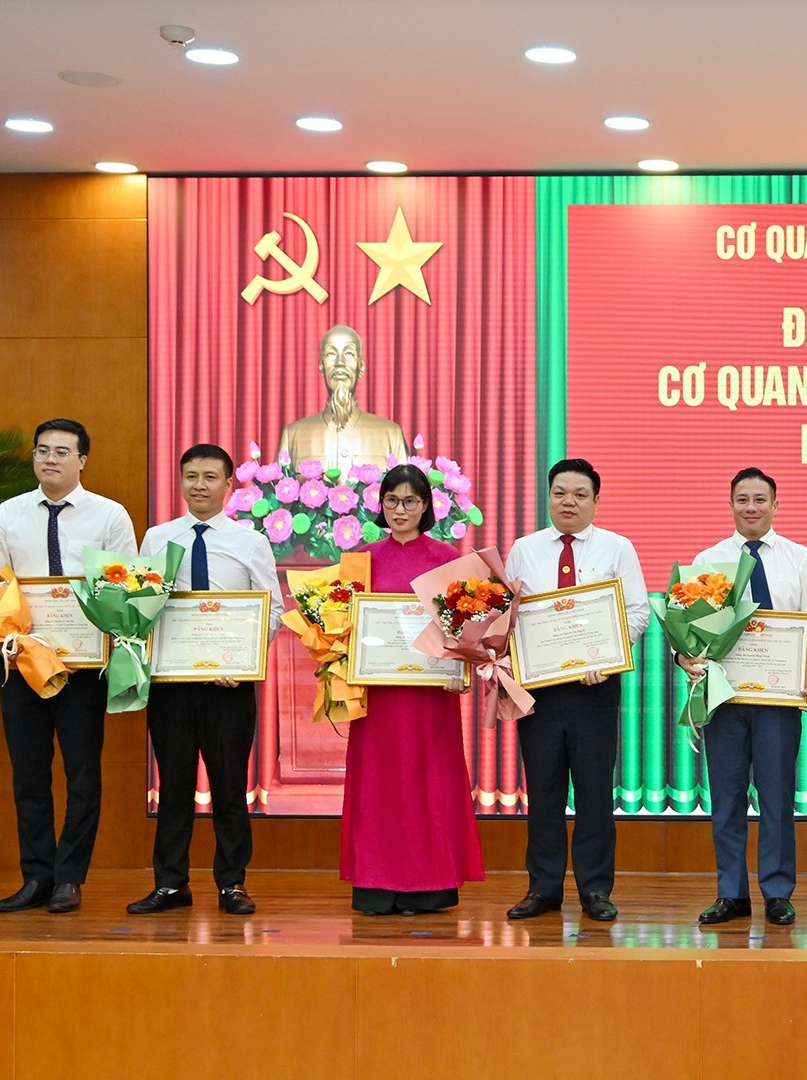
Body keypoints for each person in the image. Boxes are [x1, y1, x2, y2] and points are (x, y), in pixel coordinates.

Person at [0, 419, 137, 914]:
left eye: (62, 452)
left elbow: (128, 589)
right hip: (21, 663)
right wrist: (8, 636)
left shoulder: (110, 517)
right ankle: (36, 877)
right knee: (28, 774)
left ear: (82, 460)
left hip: (84, 669)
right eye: (42, 451)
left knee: (82, 775)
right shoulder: (9, 513)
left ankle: (70, 878)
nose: (50, 459)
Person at [677, 468, 807, 927]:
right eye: (742, 499)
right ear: (730, 505)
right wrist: (682, 657)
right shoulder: (709, 558)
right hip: (724, 699)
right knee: (725, 798)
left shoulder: (800, 559)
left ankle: (777, 890)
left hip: (781, 700)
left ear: (775, 504)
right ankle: (730, 892)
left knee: (776, 798)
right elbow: (685, 626)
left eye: (760, 499)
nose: (751, 507)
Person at [128, 444, 284, 916]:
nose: (199, 485)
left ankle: (232, 883)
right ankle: (171, 883)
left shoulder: (251, 541)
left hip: (228, 687)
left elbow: (272, 609)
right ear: (181, 482)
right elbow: (138, 604)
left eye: (210, 477)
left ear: (229, 485)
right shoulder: (157, 538)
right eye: (191, 476)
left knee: (229, 787)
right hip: (170, 684)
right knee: (172, 785)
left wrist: (244, 662)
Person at [501, 459, 650, 921]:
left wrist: (606, 660)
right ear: (548, 497)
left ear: (595, 501)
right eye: (560, 492)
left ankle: (595, 890)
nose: (569, 501)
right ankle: (543, 889)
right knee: (542, 792)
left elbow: (639, 613)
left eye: (579, 494)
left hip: (595, 689)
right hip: (539, 691)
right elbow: (507, 616)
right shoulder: (524, 549)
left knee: (593, 793)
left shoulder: (617, 547)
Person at [341, 464, 486, 915]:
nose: (400, 509)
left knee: (429, 781)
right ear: (380, 505)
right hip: (378, 697)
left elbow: (472, 629)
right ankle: (376, 884)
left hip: (429, 697)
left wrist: (465, 660)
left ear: (427, 506)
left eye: (410, 501)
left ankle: (432, 885)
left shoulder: (448, 558)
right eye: (391, 500)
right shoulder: (360, 558)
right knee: (379, 783)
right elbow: (341, 626)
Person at [277, 325, 410, 471]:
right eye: (331, 354)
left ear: (361, 366)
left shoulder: (390, 433)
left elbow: (405, 489)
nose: (340, 362)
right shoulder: (294, 434)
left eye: (349, 354)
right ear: (321, 366)